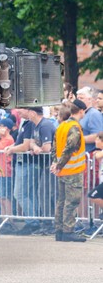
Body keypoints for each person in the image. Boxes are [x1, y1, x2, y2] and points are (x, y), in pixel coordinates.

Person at [49, 103, 87, 242]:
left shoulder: (61, 126)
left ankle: (59, 231)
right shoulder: (74, 128)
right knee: (71, 202)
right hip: (72, 171)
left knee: (61, 201)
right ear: (81, 111)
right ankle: (68, 230)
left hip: (63, 171)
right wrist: (58, 165)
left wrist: (55, 163)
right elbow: (69, 149)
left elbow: (55, 148)